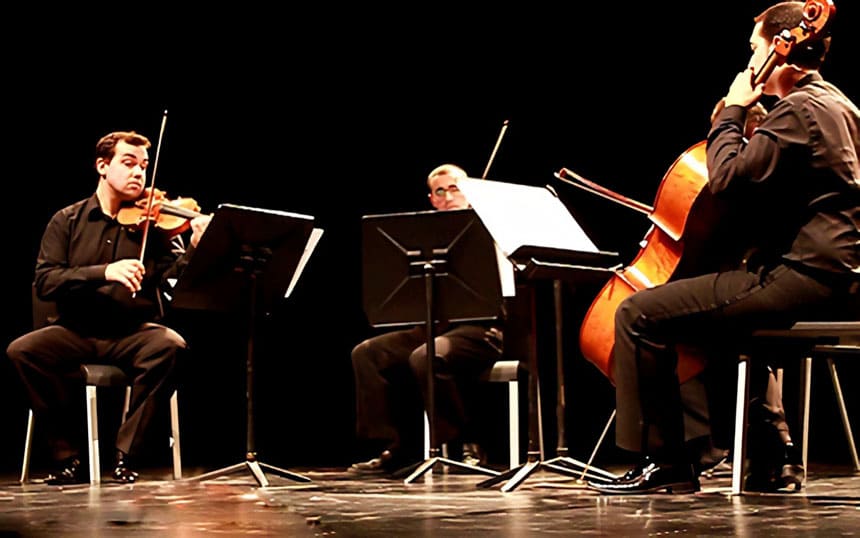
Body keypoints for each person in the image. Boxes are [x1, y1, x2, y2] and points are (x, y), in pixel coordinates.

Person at [589, 1, 859, 495]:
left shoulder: (797, 110)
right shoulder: (840, 105)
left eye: (755, 47)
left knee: (638, 313)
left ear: (781, 49)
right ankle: (768, 454)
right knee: (707, 318)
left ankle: (666, 463)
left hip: (805, 276)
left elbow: (727, 179)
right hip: (838, 276)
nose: (750, 58)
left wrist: (733, 110)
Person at [7, 130, 212, 485]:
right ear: (102, 166)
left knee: (171, 346)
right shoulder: (67, 221)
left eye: (144, 166)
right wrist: (104, 272)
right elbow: (46, 280)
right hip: (75, 331)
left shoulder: (154, 224)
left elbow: (174, 282)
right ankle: (67, 456)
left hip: (132, 333)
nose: (139, 173)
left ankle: (127, 455)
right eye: (128, 163)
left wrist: (195, 247)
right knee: (22, 351)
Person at [349, 163, 505, 474]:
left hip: (483, 329)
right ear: (432, 199)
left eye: (455, 188)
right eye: (439, 191)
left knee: (427, 357)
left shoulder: (493, 228)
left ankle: (463, 445)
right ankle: (398, 446)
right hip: (435, 326)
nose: (447, 196)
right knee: (368, 353)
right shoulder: (422, 238)